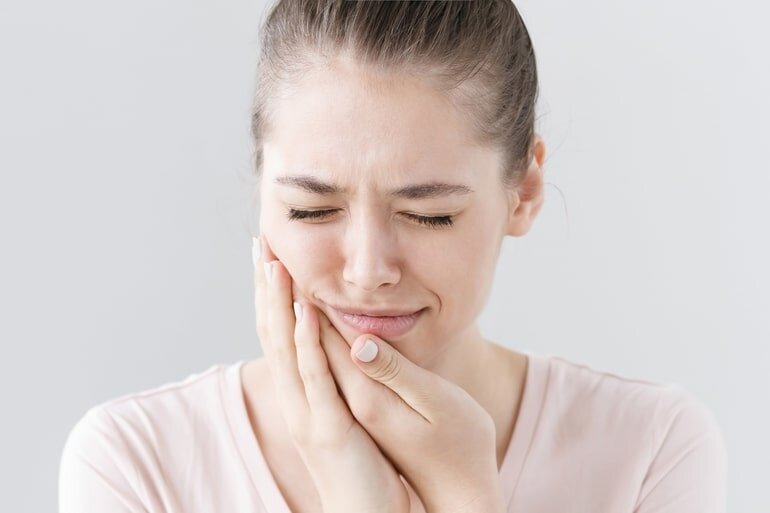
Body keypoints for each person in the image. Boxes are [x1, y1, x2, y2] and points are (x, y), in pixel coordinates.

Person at [58, 1, 727, 512]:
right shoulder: (135, 463)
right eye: (311, 209)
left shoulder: (649, 450)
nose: (367, 269)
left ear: (522, 192)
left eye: (428, 214)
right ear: (262, 192)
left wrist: (466, 494)